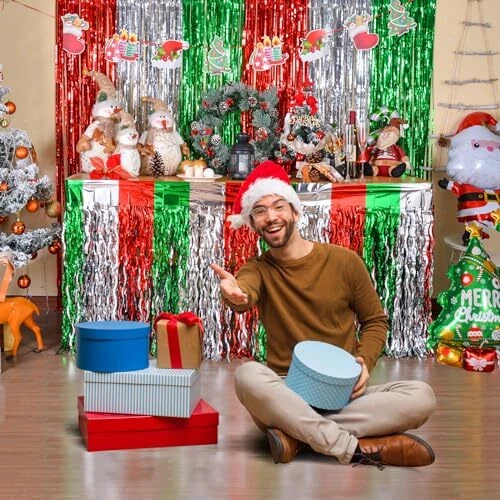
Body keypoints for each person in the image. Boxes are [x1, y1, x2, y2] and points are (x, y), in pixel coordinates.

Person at [211, 160, 436, 468]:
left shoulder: (344, 261)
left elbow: (374, 321)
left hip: (342, 393)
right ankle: (351, 448)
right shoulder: (257, 270)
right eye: (260, 211)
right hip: (285, 393)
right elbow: (243, 294)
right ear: (253, 223)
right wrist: (234, 294)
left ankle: (298, 436)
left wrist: (365, 361)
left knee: (421, 396)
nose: (271, 217)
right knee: (248, 376)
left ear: (294, 212)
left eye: (278, 206)